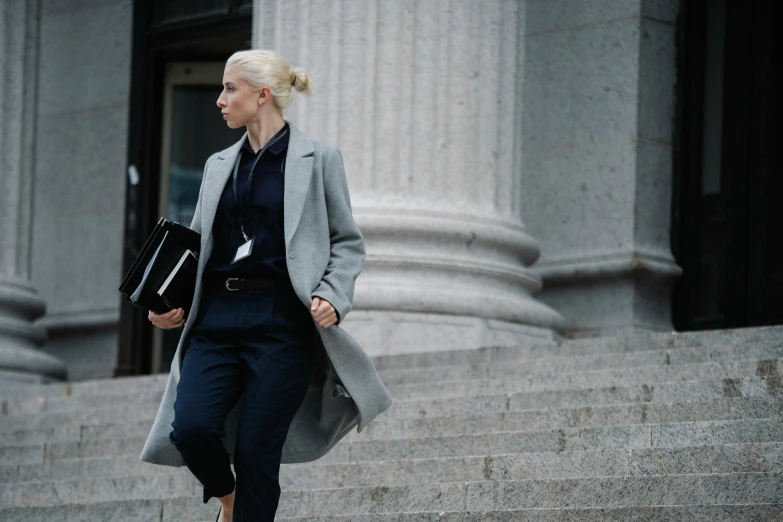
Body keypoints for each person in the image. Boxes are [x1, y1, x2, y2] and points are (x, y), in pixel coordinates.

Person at [144, 49, 391, 522]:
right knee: (192, 428)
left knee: (259, 452)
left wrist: (333, 297)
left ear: (261, 95)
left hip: (282, 324)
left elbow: (347, 242)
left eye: (229, 89)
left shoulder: (319, 159)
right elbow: (196, 246)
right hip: (216, 319)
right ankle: (229, 500)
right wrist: (164, 304)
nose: (219, 99)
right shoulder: (218, 165)